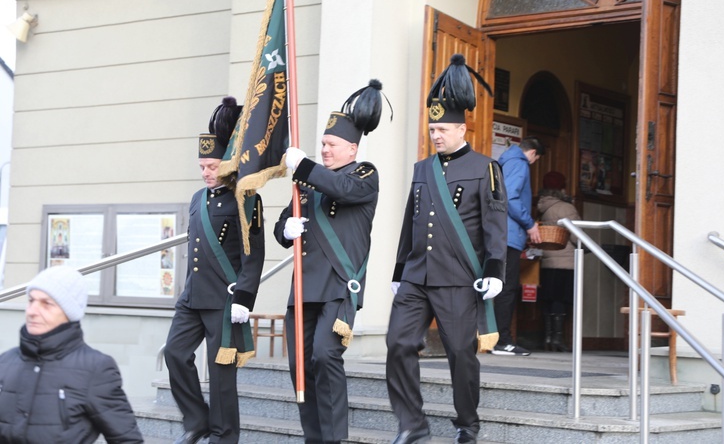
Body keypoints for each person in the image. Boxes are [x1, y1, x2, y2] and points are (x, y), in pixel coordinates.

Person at [386, 54, 507, 444]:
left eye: (442, 129)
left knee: (460, 352)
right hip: (417, 276)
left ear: (461, 127)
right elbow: (412, 220)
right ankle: (412, 423)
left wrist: (495, 270)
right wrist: (398, 271)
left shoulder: (485, 166)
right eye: (432, 129)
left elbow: (495, 224)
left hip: (458, 278)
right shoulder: (423, 168)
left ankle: (467, 424)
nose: (436, 135)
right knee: (398, 343)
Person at [275, 80, 388, 444]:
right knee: (301, 369)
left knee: (325, 355)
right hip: (304, 287)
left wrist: (304, 166)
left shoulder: (364, 175)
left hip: (339, 287)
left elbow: (342, 190)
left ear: (351, 148)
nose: (323, 150)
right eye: (321, 144)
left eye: (331, 145)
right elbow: (282, 224)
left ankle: (334, 438)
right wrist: (285, 229)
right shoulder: (307, 183)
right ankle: (315, 437)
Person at [164, 97, 265, 444]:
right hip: (193, 296)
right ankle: (196, 421)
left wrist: (245, 298)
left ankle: (224, 437)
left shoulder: (245, 196)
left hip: (224, 300)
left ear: (227, 163)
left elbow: (254, 253)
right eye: (202, 166)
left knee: (222, 378)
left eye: (211, 166)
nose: (205, 172)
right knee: (175, 354)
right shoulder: (197, 199)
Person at [0, 266, 143, 443]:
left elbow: (128, 439)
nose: (32, 311)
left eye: (47, 304)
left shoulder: (96, 368)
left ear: (69, 313)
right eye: (31, 301)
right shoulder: (5, 362)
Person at [490, 135, 545, 356]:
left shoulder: (503, 161)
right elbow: (511, 197)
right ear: (533, 154)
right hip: (509, 234)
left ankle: (490, 338)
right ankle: (502, 341)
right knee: (506, 287)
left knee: (493, 284)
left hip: (496, 232)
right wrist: (530, 223)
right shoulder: (520, 164)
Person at [537, 171, 581, 351]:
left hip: (546, 259)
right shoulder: (566, 208)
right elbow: (577, 235)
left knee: (548, 298)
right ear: (562, 188)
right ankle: (557, 339)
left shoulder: (540, 205)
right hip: (565, 260)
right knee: (561, 299)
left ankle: (547, 338)